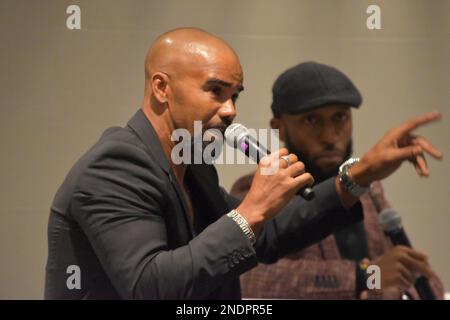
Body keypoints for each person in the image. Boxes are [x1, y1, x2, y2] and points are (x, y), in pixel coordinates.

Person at [44, 28, 443, 299]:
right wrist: (250, 211)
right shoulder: (116, 165)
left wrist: (360, 173)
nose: (231, 110)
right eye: (215, 91)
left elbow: (266, 237)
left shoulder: (193, 164)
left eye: (235, 94)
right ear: (161, 87)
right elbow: (149, 286)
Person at [232, 62, 444, 299]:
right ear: (279, 127)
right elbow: (251, 277)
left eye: (340, 117)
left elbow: (396, 269)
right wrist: (364, 276)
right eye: (312, 121)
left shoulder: (370, 188)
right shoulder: (258, 187)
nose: (330, 136)